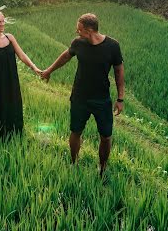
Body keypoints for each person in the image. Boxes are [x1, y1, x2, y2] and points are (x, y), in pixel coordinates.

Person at [41, 13, 124, 176]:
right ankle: (74, 162)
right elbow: (66, 56)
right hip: (79, 97)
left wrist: (120, 98)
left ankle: (103, 168)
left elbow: (119, 71)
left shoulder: (112, 46)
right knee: (75, 131)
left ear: (89, 30)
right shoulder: (78, 43)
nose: (76, 32)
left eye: (79, 29)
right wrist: (49, 71)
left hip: (102, 99)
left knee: (106, 136)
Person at [0, 9, 41, 138]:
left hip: (12, 80)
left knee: (14, 106)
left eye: (3, 21)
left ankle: (15, 135)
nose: (2, 24)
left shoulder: (9, 37)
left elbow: (21, 55)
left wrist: (34, 67)